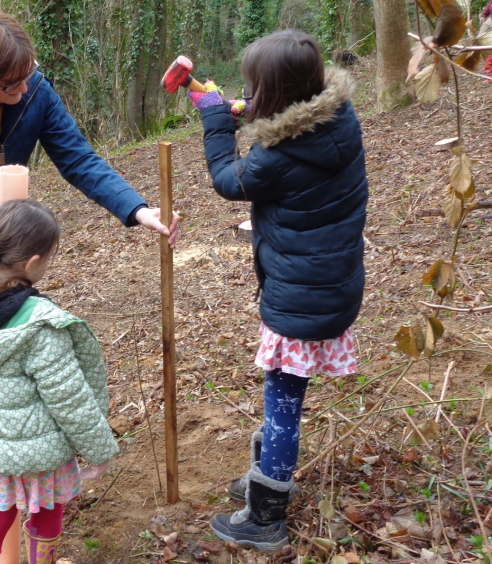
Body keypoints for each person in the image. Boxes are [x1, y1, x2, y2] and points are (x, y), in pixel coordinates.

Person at [0, 9, 179, 530]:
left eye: (26, 75)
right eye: (9, 83)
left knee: (14, 375)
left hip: (12, 259)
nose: (23, 88)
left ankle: (9, 479)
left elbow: (79, 159)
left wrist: (137, 209)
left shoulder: (35, 93)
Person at [187, 30, 367, 552]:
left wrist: (217, 121)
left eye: (253, 87)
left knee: (283, 400)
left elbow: (229, 180)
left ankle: (267, 515)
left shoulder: (277, 158)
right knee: (281, 390)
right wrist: (243, 107)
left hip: (301, 296)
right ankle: (268, 473)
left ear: (273, 93)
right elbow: (288, 122)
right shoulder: (337, 119)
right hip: (328, 284)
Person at [0, 199, 116, 564]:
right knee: (47, 509)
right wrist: (99, 451)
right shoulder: (40, 325)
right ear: (33, 263)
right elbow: (70, 399)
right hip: (37, 447)